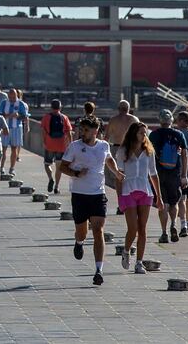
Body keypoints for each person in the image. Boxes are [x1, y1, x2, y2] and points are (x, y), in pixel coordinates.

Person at [60, 116, 123, 286]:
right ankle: (79, 242)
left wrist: (116, 172)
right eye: (81, 129)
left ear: (96, 131)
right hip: (79, 195)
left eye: (86, 130)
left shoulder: (103, 146)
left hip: (98, 194)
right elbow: (62, 166)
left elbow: (108, 159)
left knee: (98, 231)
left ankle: (98, 270)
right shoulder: (75, 147)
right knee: (82, 232)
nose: (83, 132)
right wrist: (76, 174)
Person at [115, 121, 162, 274]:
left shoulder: (148, 151)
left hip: (145, 191)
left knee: (142, 228)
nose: (144, 136)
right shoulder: (123, 151)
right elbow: (118, 176)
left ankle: (139, 262)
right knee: (133, 228)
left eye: (145, 133)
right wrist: (119, 196)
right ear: (134, 133)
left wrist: (159, 197)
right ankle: (126, 250)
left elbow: (153, 174)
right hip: (128, 190)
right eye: (141, 133)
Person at [149, 110, 188, 243]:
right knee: (174, 202)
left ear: (160, 121)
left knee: (162, 204)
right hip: (175, 173)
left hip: (158, 174)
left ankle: (164, 232)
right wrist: (184, 175)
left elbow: (148, 154)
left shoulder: (153, 135)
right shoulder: (179, 134)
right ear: (171, 120)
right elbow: (184, 156)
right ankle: (173, 224)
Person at [41, 99, 73, 194]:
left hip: (49, 145)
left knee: (47, 164)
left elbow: (43, 131)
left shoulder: (46, 117)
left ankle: (51, 179)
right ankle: (57, 187)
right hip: (61, 145)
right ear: (60, 107)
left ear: (51, 107)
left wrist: (44, 142)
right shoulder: (64, 117)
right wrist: (70, 144)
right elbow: (69, 132)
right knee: (59, 167)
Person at [0, 89, 28, 177]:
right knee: (3, 148)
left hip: (16, 128)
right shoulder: (4, 103)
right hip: (5, 128)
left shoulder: (21, 104)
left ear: (16, 95)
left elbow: (25, 116)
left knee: (14, 148)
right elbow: (0, 114)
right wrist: (9, 116)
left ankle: (12, 168)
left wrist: (18, 116)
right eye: (10, 97)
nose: (12, 98)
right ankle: (1, 167)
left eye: (14, 97)